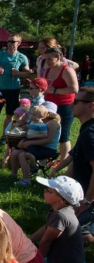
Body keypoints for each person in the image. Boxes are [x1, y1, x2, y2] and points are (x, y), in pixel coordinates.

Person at [51, 87, 94, 242]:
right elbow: (75, 156)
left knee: (65, 237)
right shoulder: (86, 129)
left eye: (76, 102)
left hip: (87, 198)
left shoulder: (90, 134)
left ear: (91, 105)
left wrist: (87, 202)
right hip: (80, 194)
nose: (71, 105)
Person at [31, 176, 85, 263]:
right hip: (69, 262)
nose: (45, 191)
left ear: (60, 200)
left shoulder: (60, 216)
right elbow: (47, 226)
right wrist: (30, 239)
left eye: (49, 191)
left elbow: (45, 242)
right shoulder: (61, 210)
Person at [12, 101, 60, 187]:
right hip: (38, 146)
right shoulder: (40, 122)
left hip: (48, 149)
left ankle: (26, 180)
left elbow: (48, 140)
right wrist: (24, 140)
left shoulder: (52, 123)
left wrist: (29, 142)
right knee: (15, 152)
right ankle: (13, 175)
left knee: (22, 155)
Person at [43, 47, 79, 161]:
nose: (47, 62)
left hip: (65, 106)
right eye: (46, 59)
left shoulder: (67, 70)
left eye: (49, 59)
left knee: (63, 134)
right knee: (48, 132)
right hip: (50, 105)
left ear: (58, 57)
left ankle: (63, 161)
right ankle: (49, 157)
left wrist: (55, 90)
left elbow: (74, 89)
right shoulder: (48, 69)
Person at [0, 34, 31, 134]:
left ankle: (5, 136)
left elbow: (27, 73)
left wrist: (18, 73)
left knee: (11, 114)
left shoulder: (22, 57)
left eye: (12, 41)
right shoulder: (0, 54)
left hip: (13, 89)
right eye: (8, 41)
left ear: (18, 43)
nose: (9, 43)